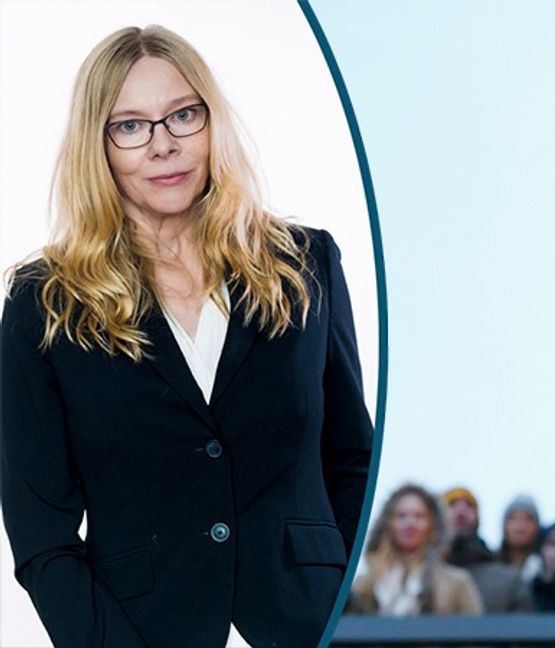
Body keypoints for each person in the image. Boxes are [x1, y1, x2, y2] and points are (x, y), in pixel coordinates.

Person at [0, 26, 373, 648]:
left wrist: (337, 611)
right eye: (130, 126)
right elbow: (42, 533)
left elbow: (353, 461)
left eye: (182, 115)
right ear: (99, 145)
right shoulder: (46, 301)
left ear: (212, 122)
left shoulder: (305, 262)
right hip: (143, 630)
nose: (163, 145)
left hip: (306, 622)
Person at [346, 484, 483, 616]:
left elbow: (476, 634)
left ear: (432, 525)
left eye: (419, 516)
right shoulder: (363, 585)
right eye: (401, 516)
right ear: (388, 524)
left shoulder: (457, 583)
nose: (410, 523)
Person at [442, 487, 534, 613]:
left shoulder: (508, 581)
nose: (461, 511)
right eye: (452, 504)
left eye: (469, 505)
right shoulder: (421, 578)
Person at [498, 494, 543, 582]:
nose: (520, 525)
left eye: (528, 519)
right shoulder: (491, 563)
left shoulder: (548, 568)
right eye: (513, 518)